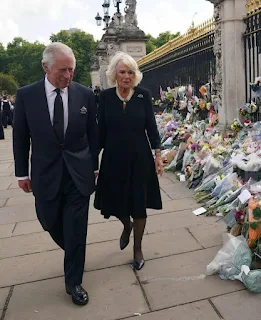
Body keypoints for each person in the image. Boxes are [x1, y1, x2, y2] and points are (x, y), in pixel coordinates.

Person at [13, 42, 98, 306]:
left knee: (76, 229)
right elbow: (20, 137)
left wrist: (94, 165)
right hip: (45, 173)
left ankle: (74, 281)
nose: (68, 76)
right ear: (45, 67)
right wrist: (21, 174)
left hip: (78, 173)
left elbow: (93, 135)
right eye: (62, 70)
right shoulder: (27, 96)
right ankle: (73, 251)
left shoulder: (84, 95)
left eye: (71, 70)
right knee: (49, 220)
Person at [94, 52, 163, 270]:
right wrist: (92, 162)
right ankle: (126, 225)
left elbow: (151, 127)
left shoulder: (143, 95)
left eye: (130, 72)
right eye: (122, 72)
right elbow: (100, 132)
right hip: (113, 159)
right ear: (114, 73)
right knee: (117, 202)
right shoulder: (104, 97)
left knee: (139, 203)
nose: (126, 76)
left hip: (140, 158)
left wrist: (158, 155)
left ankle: (138, 248)